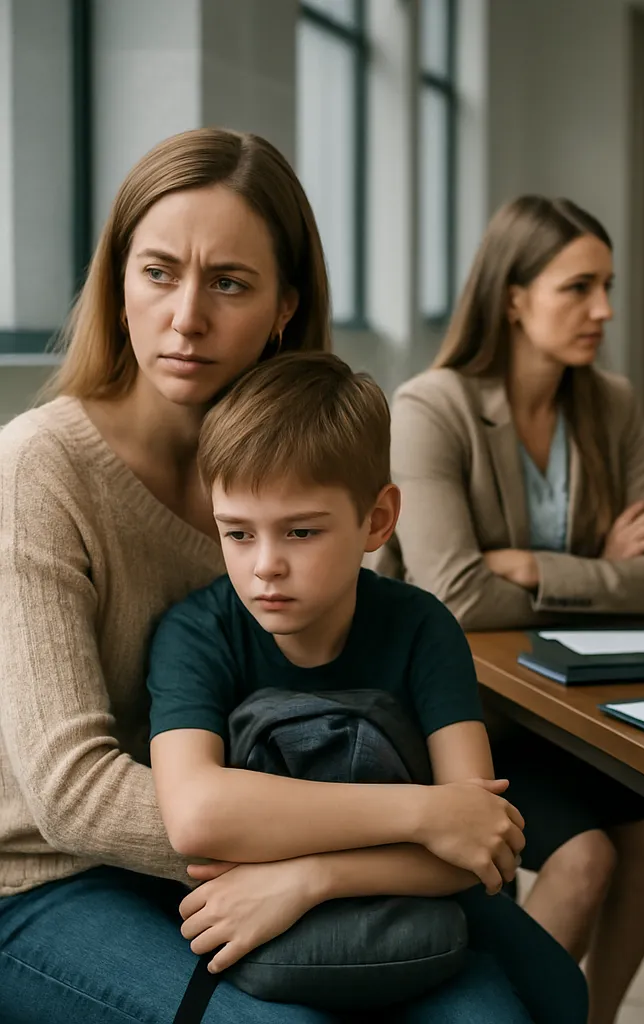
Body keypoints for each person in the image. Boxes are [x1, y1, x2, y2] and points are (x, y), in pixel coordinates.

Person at [0, 129, 582, 1024]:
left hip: (251, 830)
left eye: (228, 282)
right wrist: (408, 820)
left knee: (544, 990)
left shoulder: (294, 467)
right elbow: (76, 797)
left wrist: (330, 869)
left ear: (284, 307)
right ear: (118, 287)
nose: (187, 316)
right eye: (157, 272)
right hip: (47, 877)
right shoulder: (39, 470)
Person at [147, 350, 587, 1023]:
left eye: (301, 531)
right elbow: (198, 814)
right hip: (262, 941)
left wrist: (310, 877)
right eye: (238, 533)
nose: (265, 566)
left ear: (377, 521)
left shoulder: (423, 628)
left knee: (540, 1003)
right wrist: (425, 815)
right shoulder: (197, 631)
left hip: (405, 924)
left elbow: (478, 847)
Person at [368, 195, 644, 1024]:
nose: (604, 310)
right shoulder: (432, 407)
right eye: (578, 287)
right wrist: (600, 570)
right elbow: (456, 595)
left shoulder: (609, 403)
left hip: (563, 705)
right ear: (513, 297)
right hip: (461, 717)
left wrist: (539, 568)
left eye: (607, 286)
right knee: (583, 860)